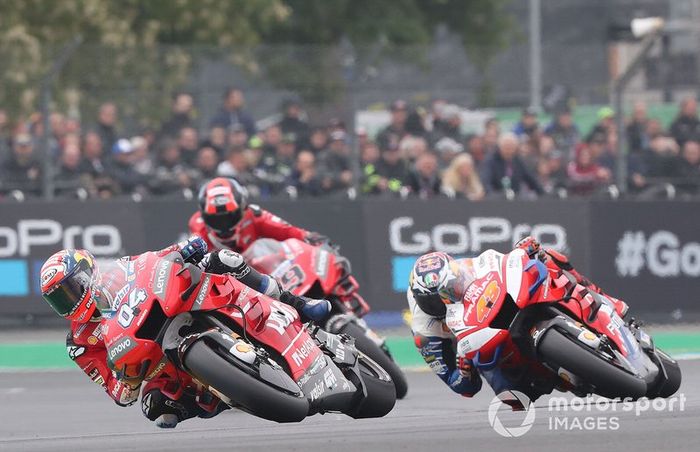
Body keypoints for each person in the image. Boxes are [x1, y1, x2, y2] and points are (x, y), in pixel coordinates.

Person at [39, 237, 330, 429]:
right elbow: (118, 394)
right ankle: (225, 392)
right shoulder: (79, 343)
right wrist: (127, 380)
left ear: (88, 272)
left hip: (174, 307)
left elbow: (155, 259)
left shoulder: (119, 270)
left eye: (70, 289)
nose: (70, 301)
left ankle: (298, 303)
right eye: (59, 299)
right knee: (156, 409)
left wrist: (186, 248)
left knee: (224, 260)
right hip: (155, 361)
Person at [406, 237, 628, 403]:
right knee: (511, 397)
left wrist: (526, 251)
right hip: (480, 343)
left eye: (450, 290)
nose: (446, 300)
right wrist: (464, 371)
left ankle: (605, 299)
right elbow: (462, 387)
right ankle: (552, 373)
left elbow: (505, 263)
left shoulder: (466, 268)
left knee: (547, 257)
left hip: (497, 311)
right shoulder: (425, 332)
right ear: (422, 301)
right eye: (437, 300)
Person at [188, 177, 328, 253]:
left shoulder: (254, 215)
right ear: (204, 216)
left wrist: (308, 237)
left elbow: (287, 231)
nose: (224, 225)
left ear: (243, 208)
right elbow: (186, 256)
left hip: (260, 279)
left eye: (229, 216)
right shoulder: (198, 225)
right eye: (216, 220)